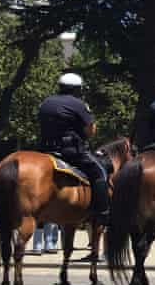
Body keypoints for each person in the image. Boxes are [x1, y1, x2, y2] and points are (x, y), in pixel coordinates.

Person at [38, 73, 110, 225]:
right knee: (100, 173)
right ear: (78, 89)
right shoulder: (79, 104)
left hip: (44, 148)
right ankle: (102, 213)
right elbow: (91, 130)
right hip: (70, 151)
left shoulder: (46, 102)